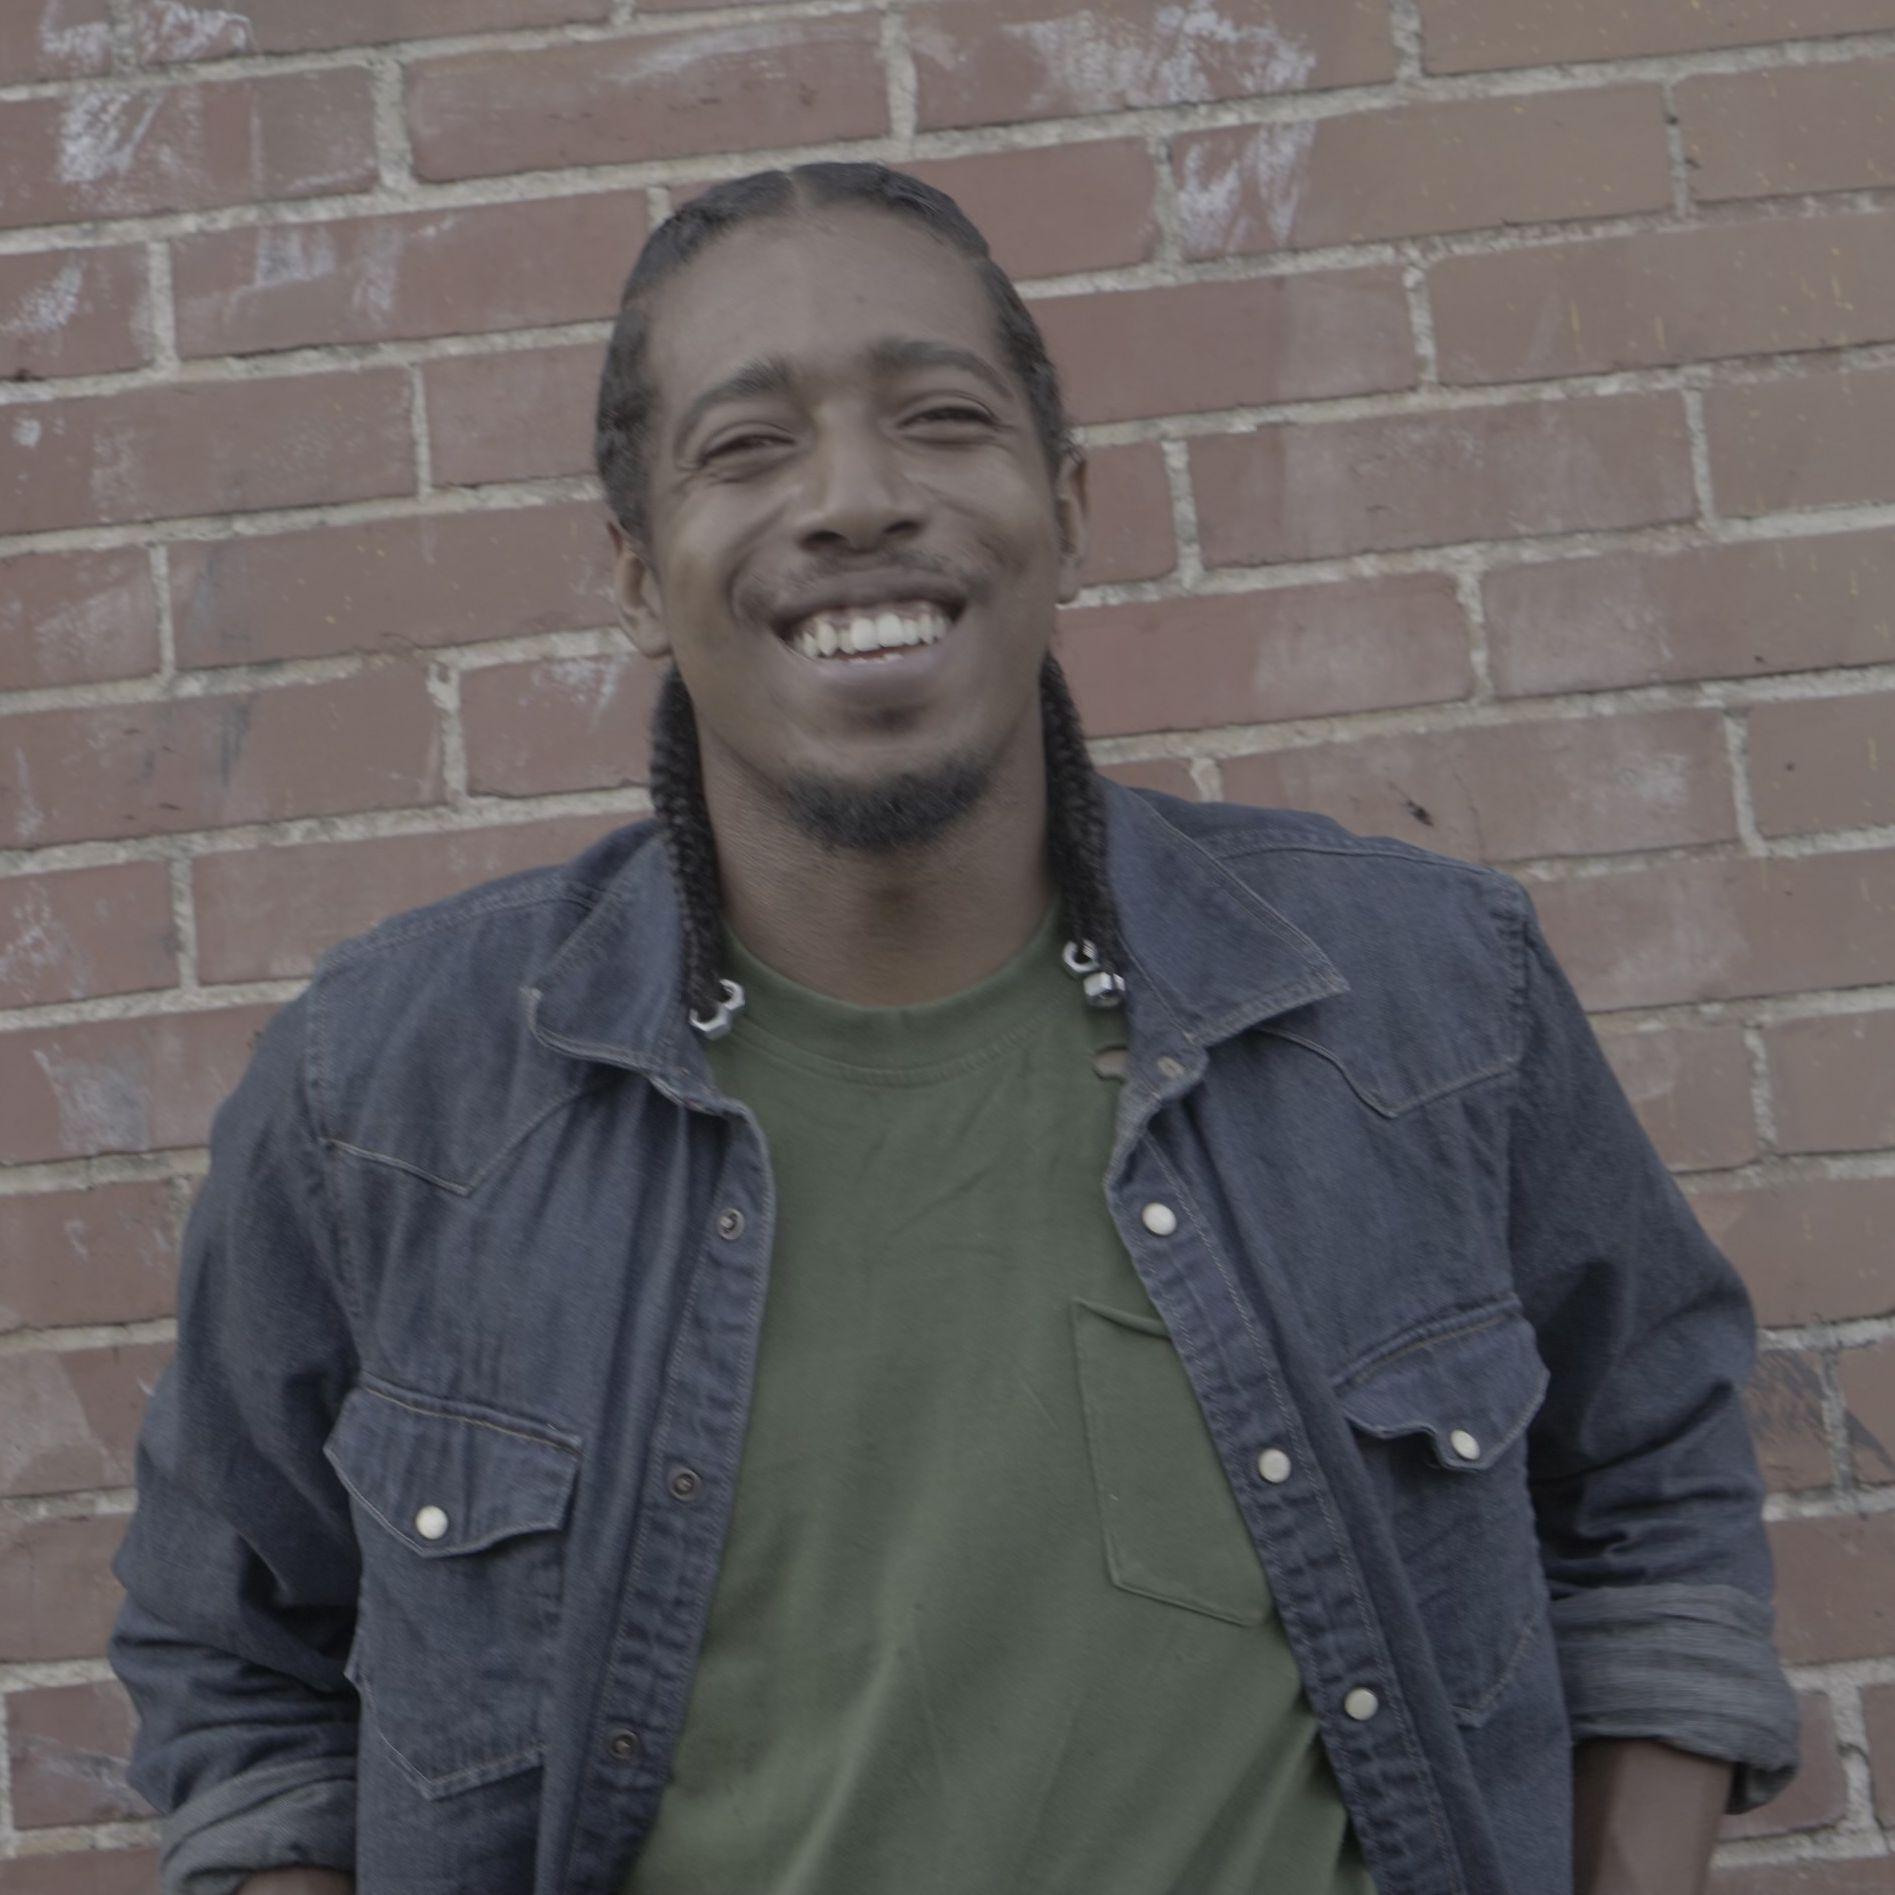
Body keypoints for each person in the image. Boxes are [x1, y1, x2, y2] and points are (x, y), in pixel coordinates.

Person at [110, 162, 1800, 1895]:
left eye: (940, 418)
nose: (856, 498)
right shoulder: (389, 1095)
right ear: (637, 572)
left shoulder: (1425, 992)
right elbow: (236, 1671)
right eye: (746, 447)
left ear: (1067, 506)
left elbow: (1651, 1484)